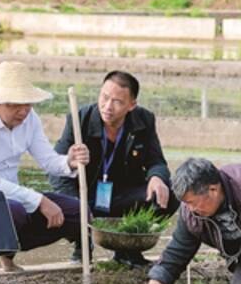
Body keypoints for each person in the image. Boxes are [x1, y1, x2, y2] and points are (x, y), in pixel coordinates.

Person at [0, 61, 89, 273]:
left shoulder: (30, 119)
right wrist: (40, 200)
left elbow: (48, 160)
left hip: (12, 197)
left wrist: (69, 161)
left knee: (78, 211)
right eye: (15, 104)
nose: (23, 111)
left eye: (28, 104)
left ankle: (7, 253)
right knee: (14, 211)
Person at [50, 70, 179, 267]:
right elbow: (56, 169)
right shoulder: (80, 120)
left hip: (121, 196)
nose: (108, 106)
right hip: (86, 196)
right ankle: (81, 244)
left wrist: (156, 177)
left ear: (131, 105)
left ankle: (128, 249)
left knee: (171, 192)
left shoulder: (143, 120)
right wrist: (76, 205)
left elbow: (157, 161)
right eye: (104, 97)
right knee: (61, 203)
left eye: (117, 101)